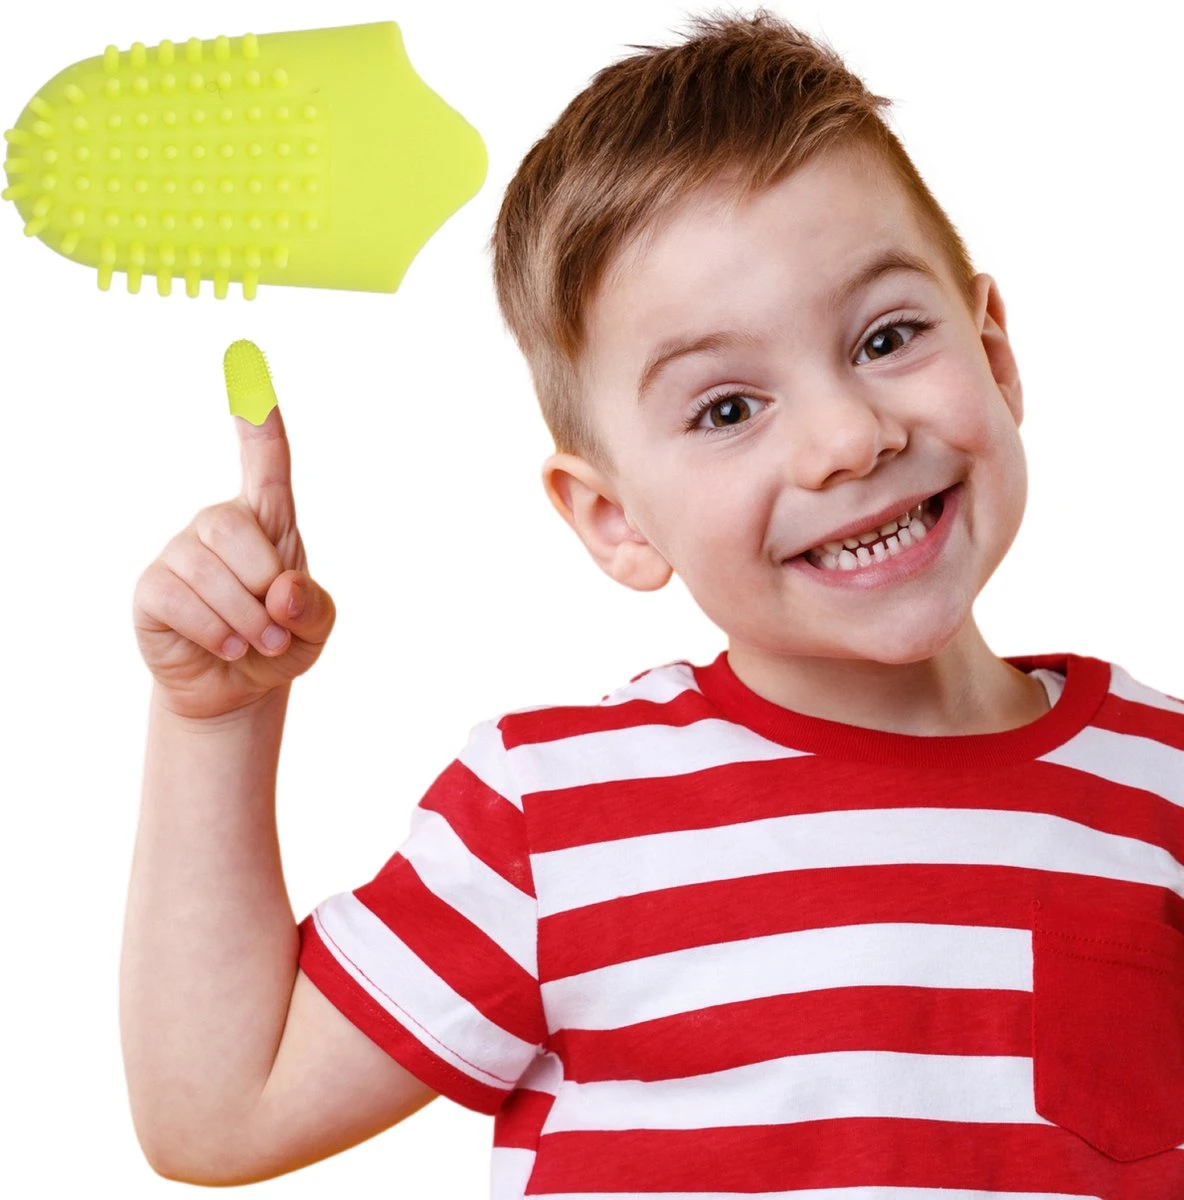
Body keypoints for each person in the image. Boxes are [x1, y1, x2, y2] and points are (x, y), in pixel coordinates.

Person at [121, 6, 1184, 1196]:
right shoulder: (551, 816)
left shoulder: (1163, 791)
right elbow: (220, 1117)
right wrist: (216, 719)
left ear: (992, 353)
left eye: (886, 338)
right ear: (611, 518)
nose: (847, 437)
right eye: (727, 408)